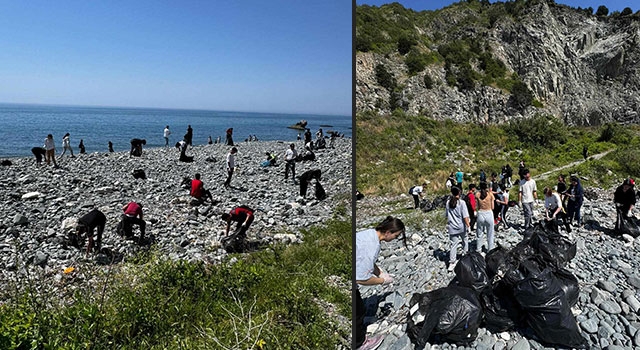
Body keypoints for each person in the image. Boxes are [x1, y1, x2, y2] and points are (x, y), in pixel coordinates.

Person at [355, 216, 406, 350]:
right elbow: (360, 278)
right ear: (388, 232)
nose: (395, 239)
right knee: (358, 312)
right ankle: (359, 344)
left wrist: (379, 272)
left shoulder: (369, 234)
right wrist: (382, 281)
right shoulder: (372, 246)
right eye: (396, 236)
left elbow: (366, 261)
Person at [446, 186, 470, 271]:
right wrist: (468, 226)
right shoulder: (461, 203)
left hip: (452, 227)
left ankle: (452, 262)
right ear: (459, 192)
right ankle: (465, 256)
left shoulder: (448, 202)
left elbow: (447, 215)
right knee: (465, 240)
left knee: (453, 244)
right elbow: (465, 216)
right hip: (461, 227)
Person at [475, 182, 494, 254]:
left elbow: (477, 206)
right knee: (490, 233)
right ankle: (490, 249)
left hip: (481, 213)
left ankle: (478, 249)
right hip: (489, 213)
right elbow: (493, 207)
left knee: (479, 233)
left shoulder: (477, 194)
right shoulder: (490, 194)